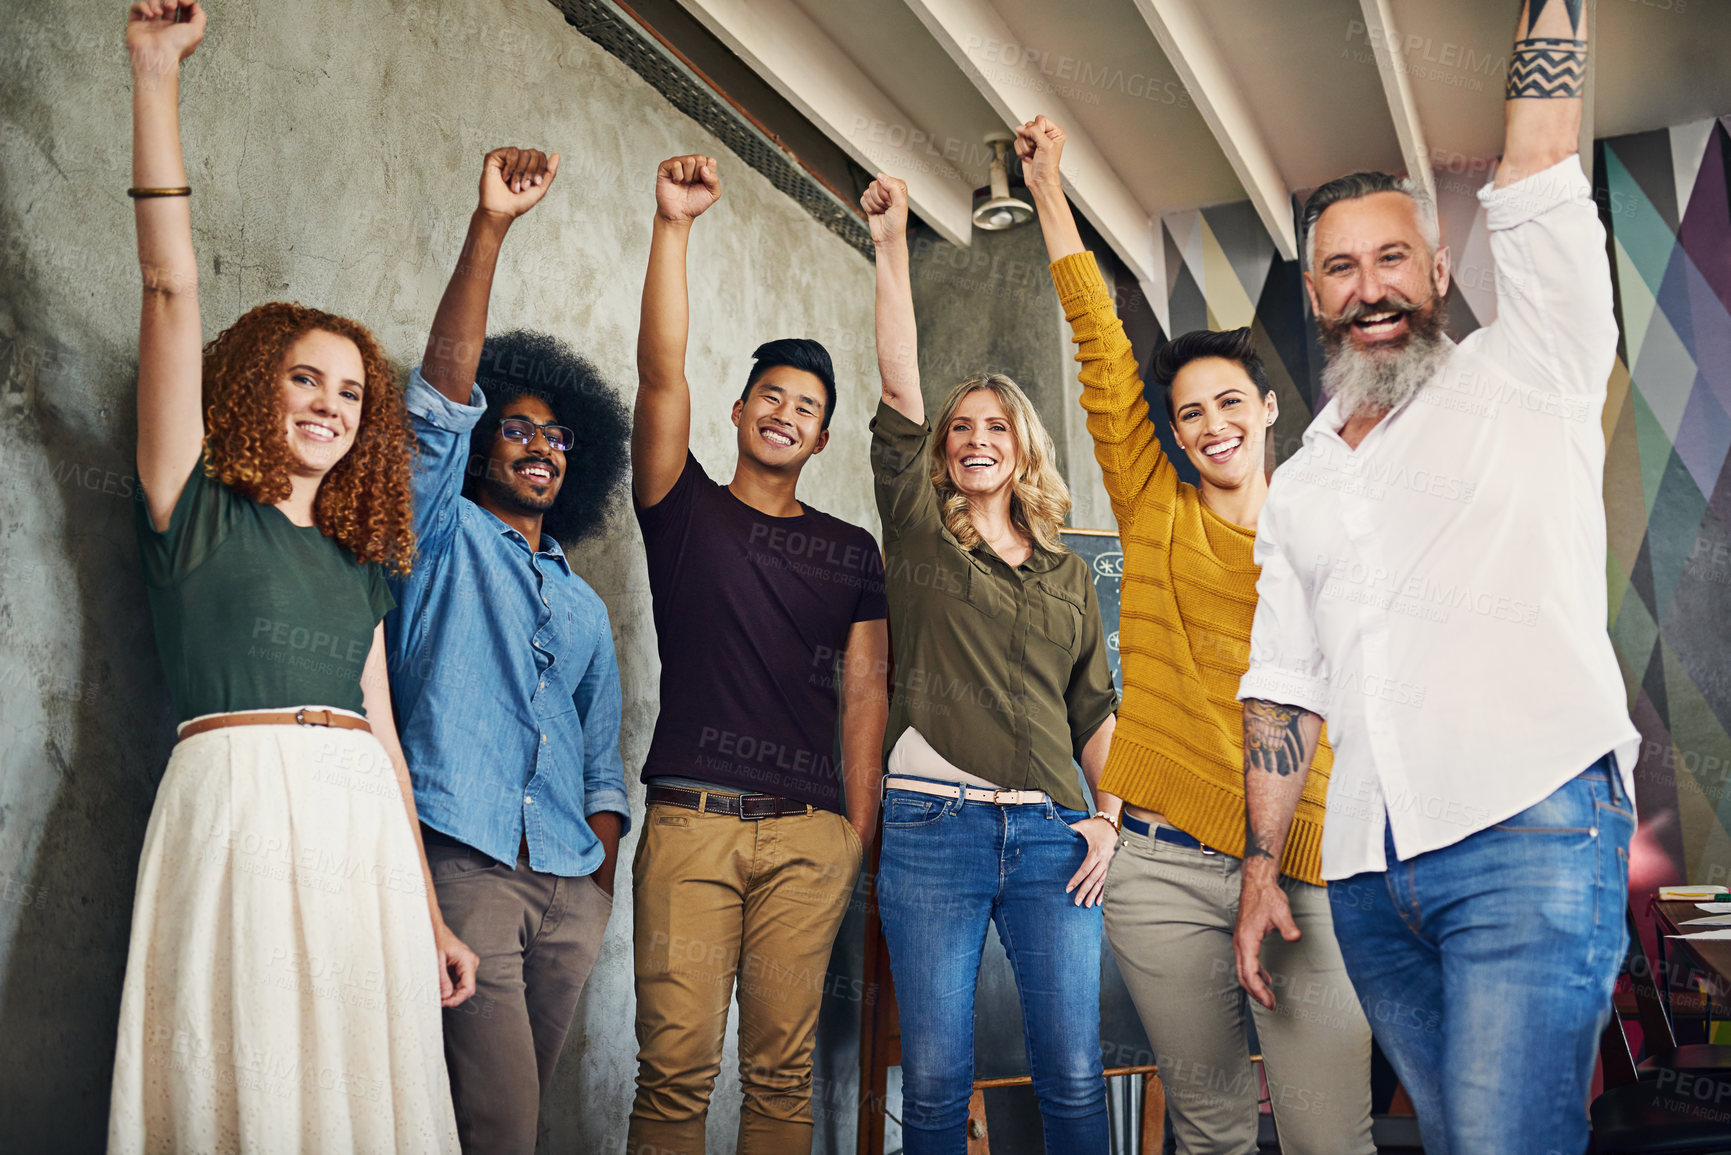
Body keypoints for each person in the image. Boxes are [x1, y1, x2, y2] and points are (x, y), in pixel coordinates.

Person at [1232, 3, 1638, 1152]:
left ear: (1442, 267)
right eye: (1342, 267)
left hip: (1530, 828)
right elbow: (1282, 681)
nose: (1370, 287)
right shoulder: (1300, 483)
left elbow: (1540, 158)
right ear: (1313, 294)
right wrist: (1264, 866)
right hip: (1366, 875)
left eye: (1394, 257)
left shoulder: (1535, 368)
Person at [110, 3, 471, 1151]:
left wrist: (427, 913)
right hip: (237, 797)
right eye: (306, 381)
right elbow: (170, 289)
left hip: (360, 820)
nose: (331, 405)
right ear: (256, 386)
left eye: (352, 393)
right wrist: (155, 74)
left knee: (365, 1089)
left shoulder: (359, 557)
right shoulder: (191, 501)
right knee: (248, 1080)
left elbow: (384, 730)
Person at [1015, 115, 1376, 1155]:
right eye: (1188, 414)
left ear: (1268, 409)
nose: (1211, 424)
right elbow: (1098, 346)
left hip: (1305, 866)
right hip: (1161, 871)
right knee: (1209, 1133)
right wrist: (1050, 193)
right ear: (1171, 435)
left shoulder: (1326, 526)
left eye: (1230, 402)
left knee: (1326, 1139)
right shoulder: (1152, 508)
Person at [626, 153, 890, 1155]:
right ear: (736, 414)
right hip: (691, 829)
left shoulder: (850, 552)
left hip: (806, 844)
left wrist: (850, 830)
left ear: (821, 438)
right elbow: (659, 372)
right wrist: (674, 228)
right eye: (769, 398)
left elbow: (866, 698)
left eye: (807, 407)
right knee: (675, 1075)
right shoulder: (682, 510)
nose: (785, 414)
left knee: (779, 1082)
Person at [861, 172, 1120, 1155]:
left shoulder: (1064, 576)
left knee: (1072, 1080)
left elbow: (1096, 713)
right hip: (933, 833)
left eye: (995, 427)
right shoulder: (922, 535)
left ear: (1023, 451)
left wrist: (1110, 822)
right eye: (960, 428)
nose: (975, 438)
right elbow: (897, 388)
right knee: (933, 1084)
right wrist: (891, 244)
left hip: (1057, 844)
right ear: (942, 453)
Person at [384, 145, 634, 1153]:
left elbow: (603, 761)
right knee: (499, 1124)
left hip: (568, 890)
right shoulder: (436, 533)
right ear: (489, 441)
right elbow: (438, 406)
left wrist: (595, 883)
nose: (540, 446)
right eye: (519, 428)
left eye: (561, 438)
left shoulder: (583, 608)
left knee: (506, 1126)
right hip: (463, 865)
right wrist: (489, 228)